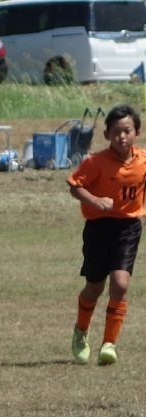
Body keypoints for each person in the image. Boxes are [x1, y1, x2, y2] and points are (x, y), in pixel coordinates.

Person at [66, 104, 146, 366]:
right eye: (116, 131)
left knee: (120, 284)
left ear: (136, 133)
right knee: (95, 287)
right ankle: (81, 331)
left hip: (128, 228)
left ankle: (109, 344)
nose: (121, 136)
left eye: (127, 131)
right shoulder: (96, 162)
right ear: (106, 134)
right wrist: (95, 200)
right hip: (99, 228)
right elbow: (74, 185)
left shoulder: (143, 161)